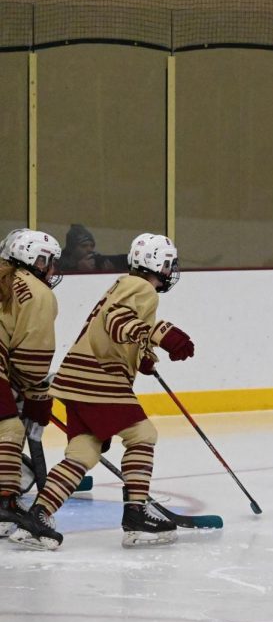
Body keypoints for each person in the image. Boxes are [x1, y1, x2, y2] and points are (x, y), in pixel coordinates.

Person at [10, 233, 195, 550]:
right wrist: (163, 334)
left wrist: (142, 355)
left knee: (84, 451)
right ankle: (136, 515)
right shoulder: (142, 288)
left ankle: (37, 518)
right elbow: (117, 320)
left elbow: (116, 327)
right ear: (154, 264)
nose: (170, 271)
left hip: (76, 380)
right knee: (143, 435)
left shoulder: (124, 284)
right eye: (167, 264)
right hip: (99, 379)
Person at [0, 231, 60, 540]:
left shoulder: (5, 278)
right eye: (47, 261)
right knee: (10, 429)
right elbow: (32, 361)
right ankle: (4, 505)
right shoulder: (38, 293)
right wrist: (38, 395)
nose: (50, 269)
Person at [58, 223, 128, 274]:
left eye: (92, 246)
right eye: (84, 246)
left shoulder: (96, 260)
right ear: (72, 248)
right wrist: (76, 268)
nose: (90, 250)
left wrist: (109, 272)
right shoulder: (57, 262)